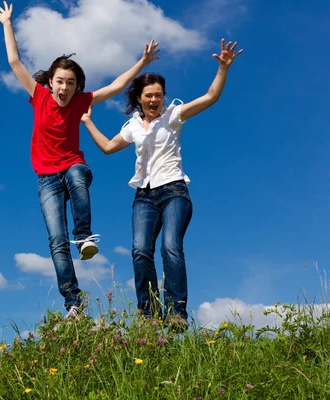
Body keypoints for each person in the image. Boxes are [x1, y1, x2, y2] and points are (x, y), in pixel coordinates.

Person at [0, 1, 159, 319]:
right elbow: (14, 61)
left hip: (72, 165)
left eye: (70, 82)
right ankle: (73, 303)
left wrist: (142, 61)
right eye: (59, 81)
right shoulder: (38, 95)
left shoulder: (82, 100)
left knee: (79, 177)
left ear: (76, 86)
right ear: (50, 82)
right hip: (45, 178)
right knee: (56, 240)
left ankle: (84, 236)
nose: (64, 87)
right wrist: (7, 24)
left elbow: (117, 85)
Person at [81, 39, 243, 327]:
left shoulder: (173, 116)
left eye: (159, 95)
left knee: (170, 247)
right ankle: (148, 316)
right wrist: (88, 121)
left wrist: (223, 69)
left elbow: (210, 97)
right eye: (149, 96)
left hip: (174, 192)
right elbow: (107, 147)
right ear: (139, 98)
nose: (155, 100)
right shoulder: (132, 125)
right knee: (140, 251)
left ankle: (177, 313)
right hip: (144, 196)